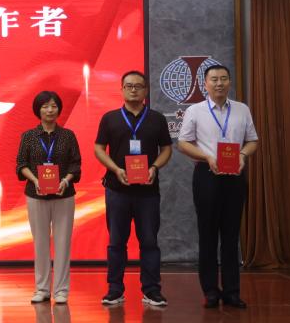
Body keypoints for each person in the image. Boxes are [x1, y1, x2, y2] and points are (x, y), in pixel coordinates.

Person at [177, 64, 259, 309]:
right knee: (208, 234)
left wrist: (243, 154)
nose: (219, 83)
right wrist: (207, 157)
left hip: (235, 175)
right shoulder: (195, 111)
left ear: (229, 82)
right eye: (214, 79)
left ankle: (232, 292)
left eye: (224, 78)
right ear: (205, 84)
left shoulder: (242, 109)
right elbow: (183, 143)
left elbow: (253, 140)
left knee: (231, 236)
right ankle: (211, 291)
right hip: (207, 174)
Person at [93, 71, 173, 307]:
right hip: (117, 190)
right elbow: (99, 148)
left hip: (148, 192)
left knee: (149, 242)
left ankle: (152, 290)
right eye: (129, 86)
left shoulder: (157, 119)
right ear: (122, 89)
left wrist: (154, 167)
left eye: (138, 86)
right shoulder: (110, 118)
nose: (134, 90)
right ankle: (115, 289)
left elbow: (166, 149)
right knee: (117, 242)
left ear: (146, 90)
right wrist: (116, 169)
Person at [16, 91, 82, 305]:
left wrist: (66, 180)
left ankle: (61, 290)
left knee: (63, 243)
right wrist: (35, 180)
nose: (50, 110)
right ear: (38, 110)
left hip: (64, 195)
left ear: (59, 109)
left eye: (53, 106)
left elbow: (75, 164)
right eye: (45, 106)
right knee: (40, 244)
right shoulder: (29, 136)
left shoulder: (68, 135)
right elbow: (21, 164)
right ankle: (42, 289)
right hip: (36, 195)